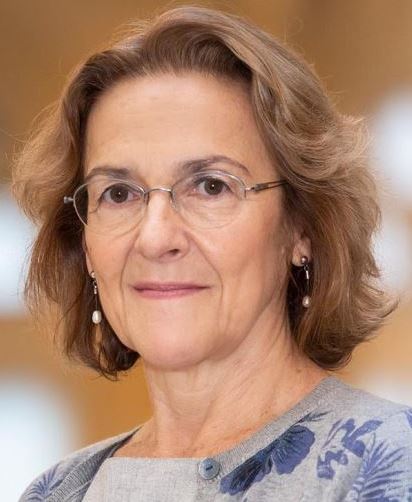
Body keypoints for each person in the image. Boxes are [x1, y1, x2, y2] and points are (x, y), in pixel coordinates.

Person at [13, 5, 412, 501]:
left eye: (210, 186)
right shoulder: (57, 491)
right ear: (86, 244)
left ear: (302, 226)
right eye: (118, 193)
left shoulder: (390, 459)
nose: (155, 238)